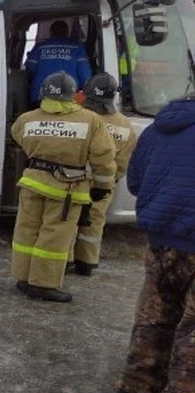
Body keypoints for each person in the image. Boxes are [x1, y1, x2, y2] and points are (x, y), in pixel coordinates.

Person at [113, 94, 195, 393]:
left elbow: (135, 181)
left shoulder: (159, 129)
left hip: (161, 241)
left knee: (154, 316)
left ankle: (138, 386)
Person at [9, 71, 116, 303]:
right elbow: (104, 157)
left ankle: (23, 278)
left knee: (26, 231)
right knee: (54, 237)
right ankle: (43, 284)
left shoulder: (27, 119)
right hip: (66, 190)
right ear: (73, 96)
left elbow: (17, 135)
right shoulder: (91, 121)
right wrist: (102, 186)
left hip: (32, 184)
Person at [68, 73, 138, 276]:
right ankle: (87, 262)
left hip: (74, 180)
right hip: (105, 184)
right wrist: (109, 181)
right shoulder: (125, 125)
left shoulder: (79, 116)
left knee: (68, 220)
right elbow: (122, 163)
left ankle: (65, 260)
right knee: (94, 222)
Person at [25, 20, 93, 106]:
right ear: (67, 32)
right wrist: (87, 95)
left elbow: (30, 69)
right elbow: (85, 75)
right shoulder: (77, 47)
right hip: (69, 97)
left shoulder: (40, 47)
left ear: (50, 32)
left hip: (40, 97)